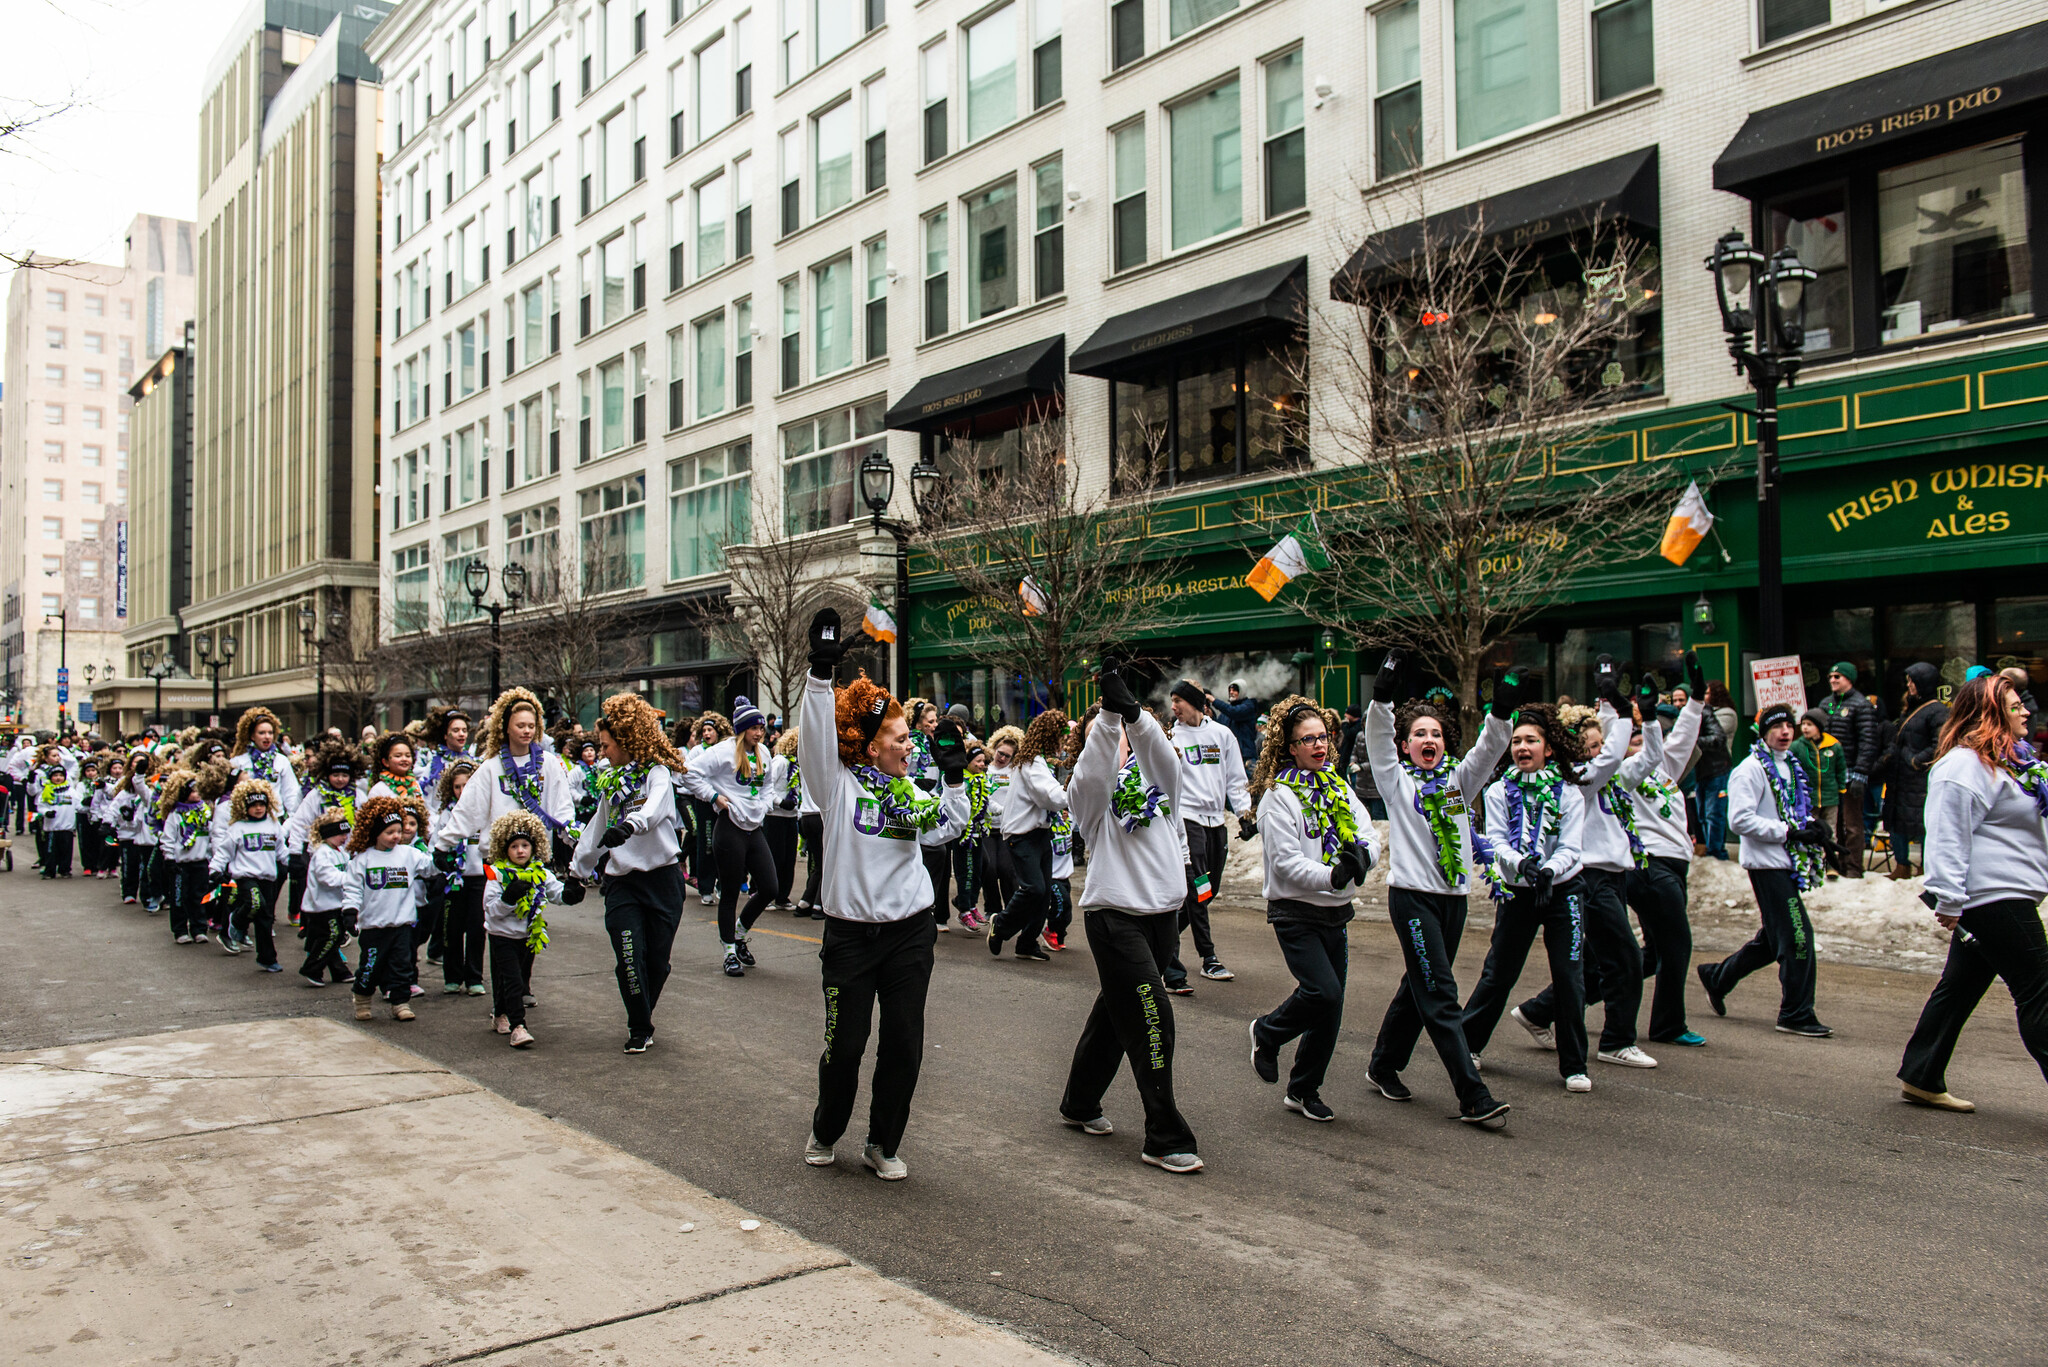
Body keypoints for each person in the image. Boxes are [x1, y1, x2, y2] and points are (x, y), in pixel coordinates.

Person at [797, 607, 970, 1180]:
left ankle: (882, 1142)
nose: (909, 742)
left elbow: (946, 826)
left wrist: (950, 778)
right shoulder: (837, 786)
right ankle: (827, 1128)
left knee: (904, 1045)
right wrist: (821, 676)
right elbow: (816, 745)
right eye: (899, 736)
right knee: (844, 1048)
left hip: (910, 934)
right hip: (850, 937)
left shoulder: (911, 788)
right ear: (870, 747)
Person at [1058, 665, 1203, 1174]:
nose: (1126, 742)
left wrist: (1136, 715)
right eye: (1116, 736)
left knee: (1115, 1013)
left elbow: (1162, 757)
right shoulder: (1090, 796)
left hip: (1163, 916)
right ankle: (1163, 1133)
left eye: (1127, 735)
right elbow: (1091, 777)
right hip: (1113, 917)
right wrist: (1107, 722)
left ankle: (1078, 1102)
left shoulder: (1162, 780)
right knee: (1151, 1014)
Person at [1360, 655, 1514, 1126]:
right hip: (1411, 899)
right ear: (1406, 746)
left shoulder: (1456, 784)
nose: (1429, 740)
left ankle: (1383, 1064)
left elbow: (1487, 751)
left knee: (1419, 984)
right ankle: (1472, 1094)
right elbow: (1378, 741)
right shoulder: (1397, 781)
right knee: (1440, 992)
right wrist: (1382, 698)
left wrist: (1501, 714)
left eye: (1437, 735)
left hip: (1453, 902)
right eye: (1420, 735)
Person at [1896, 674, 2048, 1110]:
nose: (2025, 711)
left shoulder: (2012, 761)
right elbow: (1947, 836)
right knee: (2040, 991)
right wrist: (1948, 897)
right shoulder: (1963, 766)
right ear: (1991, 712)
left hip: (2005, 893)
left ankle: (1921, 1074)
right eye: (2015, 705)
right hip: (1994, 897)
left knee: (1961, 984)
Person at [1508, 662, 1659, 1072]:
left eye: (1599, 744)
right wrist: (1622, 709)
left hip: (1615, 875)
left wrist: (1647, 718)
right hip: (1589, 878)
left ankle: (1538, 1012)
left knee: (1592, 963)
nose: (1597, 750)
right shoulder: (1581, 777)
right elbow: (1609, 755)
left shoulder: (1608, 777)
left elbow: (1646, 757)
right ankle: (1616, 1040)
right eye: (1588, 745)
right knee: (1627, 958)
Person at [1248, 696, 1381, 1122]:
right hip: (1295, 911)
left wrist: (1362, 859)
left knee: (1331, 1006)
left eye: (1322, 737)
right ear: (1289, 748)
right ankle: (1267, 1033)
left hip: (1335, 912)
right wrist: (1333, 876)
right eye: (1308, 740)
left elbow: (1368, 834)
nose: (1319, 746)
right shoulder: (1278, 797)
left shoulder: (1339, 787)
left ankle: (1304, 1089)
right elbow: (1285, 864)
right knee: (1323, 991)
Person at [1461, 702, 1594, 1092]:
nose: (1522, 747)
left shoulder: (1569, 792)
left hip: (1562, 888)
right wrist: (1523, 866)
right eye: (1516, 741)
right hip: (1519, 890)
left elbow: (1572, 846)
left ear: (1548, 748)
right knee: (1499, 970)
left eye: (1531, 741)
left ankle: (1574, 1065)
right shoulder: (1500, 790)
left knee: (1570, 976)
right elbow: (1497, 840)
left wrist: (1551, 870)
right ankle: (1468, 1044)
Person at [1696, 702, 1833, 1037]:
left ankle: (1718, 976)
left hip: (1787, 863)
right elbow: (1739, 820)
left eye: (1789, 725)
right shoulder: (1750, 769)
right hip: (1766, 866)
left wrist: (1814, 827)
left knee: (1773, 941)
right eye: (1776, 726)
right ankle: (1795, 1013)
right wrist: (1788, 832)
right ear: (1763, 731)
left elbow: (1791, 810)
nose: (1785, 732)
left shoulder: (1789, 764)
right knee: (1799, 938)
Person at [567, 693, 684, 1051]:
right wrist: (576, 872)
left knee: (657, 964)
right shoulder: (611, 784)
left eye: (605, 746)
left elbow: (656, 808)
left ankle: (642, 1016)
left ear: (627, 741)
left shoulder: (657, 773)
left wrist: (630, 826)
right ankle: (639, 1026)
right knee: (629, 957)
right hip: (623, 884)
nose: (601, 752)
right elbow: (595, 832)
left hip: (663, 880)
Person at [1620, 661, 1709, 1047]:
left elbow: (1684, 738)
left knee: (1652, 955)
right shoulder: (1623, 773)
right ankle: (1668, 1025)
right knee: (1677, 945)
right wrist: (1640, 717)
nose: (1642, 747)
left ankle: (1544, 1008)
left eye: (1644, 741)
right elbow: (1642, 750)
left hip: (1673, 867)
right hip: (1650, 867)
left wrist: (1697, 701)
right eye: (1634, 741)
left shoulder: (1664, 770)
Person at [1162, 681, 1253, 989]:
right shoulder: (1171, 737)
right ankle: (1208, 958)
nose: (1173, 707)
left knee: (1207, 890)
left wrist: (1244, 813)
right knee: (1197, 887)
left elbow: (1236, 780)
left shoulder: (1222, 735)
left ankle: (1164, 939)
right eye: (1172, 701)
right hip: (1187, 820)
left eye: (1178, 701)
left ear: (1196, 703)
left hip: (1216, 821)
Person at [435, 687, 577, 878]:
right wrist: (444, 844)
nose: (527, 731)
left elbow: (562, 807)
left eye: (531, 725)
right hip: (498, 861)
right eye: (520, 726)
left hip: (534, 859)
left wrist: (575, 841)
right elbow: (469, 808)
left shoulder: (549, 763)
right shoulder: (491, 766)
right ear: (506, 727)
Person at [684, 696, 778, 976]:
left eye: (761, 727)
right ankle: (728, 952)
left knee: (770, 888)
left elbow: (769, 787)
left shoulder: (764, 753)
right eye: (753, 728)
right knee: (729, 892)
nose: (759, 733)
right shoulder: (723, 752)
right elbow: (690, 774)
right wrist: (715, 797)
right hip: (730, 828)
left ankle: (739, 934)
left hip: (754, 828)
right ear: (741, 729)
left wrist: (766, 804)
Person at [989, 710, 1069, 962]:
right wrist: (1073, 791)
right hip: (1022, 835)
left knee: (1043, 894)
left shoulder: (1038, 761)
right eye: (1059, 737)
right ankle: (1000, 925)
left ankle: (1026, 942)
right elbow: (1051, 797)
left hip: (1039, 834)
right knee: (1034, 889)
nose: (1062, 743)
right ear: (1049, 736)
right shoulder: (1031, 762)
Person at [344, 797, 432, 1022]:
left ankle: (400, 1002)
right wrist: (349, 911)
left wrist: (442, 858)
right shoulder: (362, 860)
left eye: (398, 831)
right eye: (389, 832)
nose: (395, 836)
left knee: (403, 966)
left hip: (402, 925)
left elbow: (429, 866)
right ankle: (362, 998)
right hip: (374, 927)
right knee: (371, 967)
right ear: (375, 833)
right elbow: (353, 889)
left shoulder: (407, 854)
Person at [486, 810, 564, 1049]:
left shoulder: (540, 873)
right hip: (502, 936)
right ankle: (518, 1027)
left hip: (528, 935)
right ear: (504, 849)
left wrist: (570, 893)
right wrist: (508, 899)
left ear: (534, 847)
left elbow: (557, 893)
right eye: (514, 846)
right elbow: (491, 910)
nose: (520, 851)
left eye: (525, 845)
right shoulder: (497, 874)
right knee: (512, 981)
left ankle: (500, 1012)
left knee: (514, 978)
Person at [1884, 662, 1950, 879]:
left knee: (1923, 824)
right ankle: (1901, 865)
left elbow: (1939, 742)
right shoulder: (1910, 709)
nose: (1909, 685)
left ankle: (1925, 866)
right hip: (1900, 778)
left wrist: (1916, 761)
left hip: (1919, 778)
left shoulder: (1938, 711)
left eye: (1913, 681)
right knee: (1896, 821)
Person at [210, 780, 284, 969]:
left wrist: (294, 863)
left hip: (267, 877)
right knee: (254, 902)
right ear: (245, 807)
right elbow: (224, 852)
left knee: (265, 919)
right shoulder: (237, 828)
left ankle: (267, 959)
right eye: (254, 805)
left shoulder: (273, 825)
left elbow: (281, 850)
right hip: (245, 876)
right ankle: (236, 921)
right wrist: (215, 870)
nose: (259, 809)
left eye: (262, 804)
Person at [434, 760, 489, 996]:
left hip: (479, 879)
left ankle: (474, 977)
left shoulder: (484, 812)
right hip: (454, 881)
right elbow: (436, 843)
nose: (462, 791)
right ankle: (453, 977)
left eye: (467, 785)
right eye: (457, 787)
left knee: (477, 929)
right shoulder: (447, 815)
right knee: (452, 929)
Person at [1819, 663, 1879, 878]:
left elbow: (1868, 741)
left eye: (1838, 676)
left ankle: (1853, 867)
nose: (1833, 680)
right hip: (1828, 773)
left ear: (1849, 678)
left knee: (1852, 823)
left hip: (1852, 772)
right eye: (1830, 676)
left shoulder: (1861, 705)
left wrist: (1861, 773)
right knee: (1832, 822)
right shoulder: (1826, 704)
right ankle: (1835, 864)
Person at [297, 808, 355, 987]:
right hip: (321, 906)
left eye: (345, 833)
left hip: (335, 904)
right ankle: (312, 968)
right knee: (332, 935)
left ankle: (339, 971)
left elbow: (349, 867)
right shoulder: (322, 853)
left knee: (336, 937)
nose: (344, 838)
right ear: (327, 834)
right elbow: (327, 877)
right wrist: (351, 879)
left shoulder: (339, 852)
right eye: (339, 834)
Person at [157, 769, 214, 944]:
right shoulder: (175, 815)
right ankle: (180, 930)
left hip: (200, 862)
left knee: (198, 897)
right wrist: (169, 858)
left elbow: (213, 836)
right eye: (194, 791)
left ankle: (199, 928)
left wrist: (213, 857)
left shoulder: (206, 812)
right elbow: (168, 838)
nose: (198, 794)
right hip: (181, 864)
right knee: (179, 897)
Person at [1697, 680, 1739, 858]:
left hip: (1719, 768)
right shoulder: (1702, 713)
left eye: (1706, 693)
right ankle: (1707, 847)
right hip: (1701, 768)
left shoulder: (1727, 713)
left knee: (1714, 813)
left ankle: (1717, 851)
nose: (1703, 697)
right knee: (1702, 813)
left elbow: (1714, 734)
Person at [765, 729, 804, 912]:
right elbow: (767, 786)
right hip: (775, 817)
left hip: (790, 817)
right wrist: (781, 802)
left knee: (789, 859)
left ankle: (783, 896)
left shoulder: (798, 765)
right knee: (775, 857)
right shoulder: (780, 762)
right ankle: (767, 894)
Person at [1212, 681, 1264, 778]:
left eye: (1235, 690)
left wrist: (1214, 701)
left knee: (1252, 788)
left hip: (1245, 758)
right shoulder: (1224, 714)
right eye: (1230, 690)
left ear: (1242, 691)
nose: (1231, 692)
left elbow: (1235, 712)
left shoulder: (1249, 706)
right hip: (1229, 758)